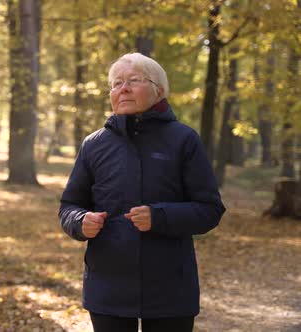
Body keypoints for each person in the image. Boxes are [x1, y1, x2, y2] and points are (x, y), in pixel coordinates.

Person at [59, 53, 225, 332]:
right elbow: (69, 206)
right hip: (107, 288)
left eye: (133, 81)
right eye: (116, 83)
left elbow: (209, 209)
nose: (122, 88)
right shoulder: (94, 144)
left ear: (159, 90)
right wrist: (80, 222)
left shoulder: (184, 140)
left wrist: (159, 217)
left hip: (170, 289)